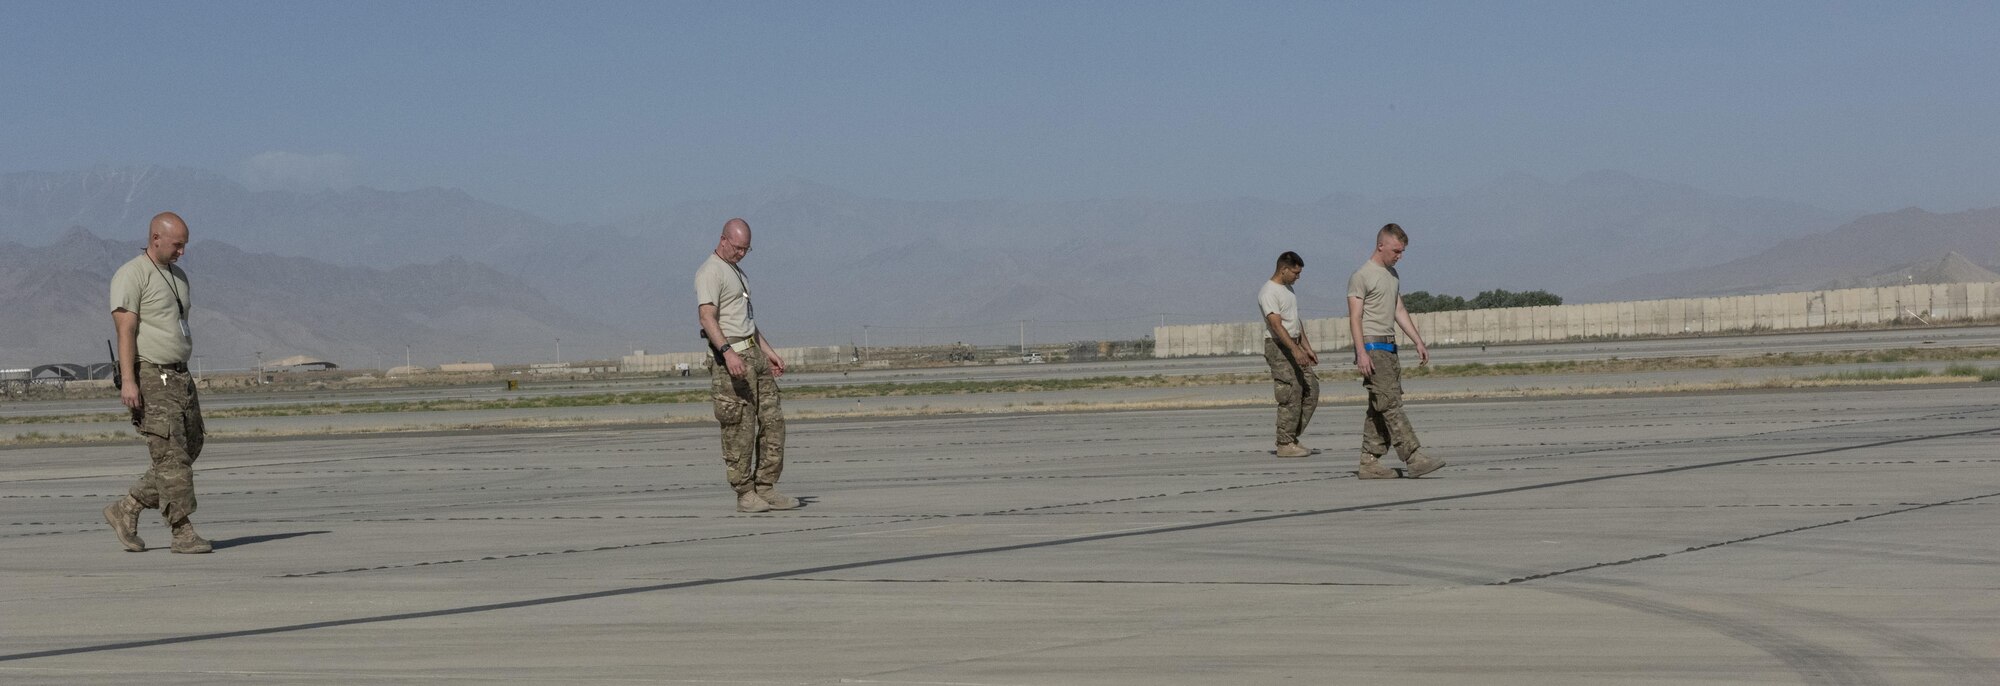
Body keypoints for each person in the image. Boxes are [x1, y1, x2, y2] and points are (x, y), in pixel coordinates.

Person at [102, 212, 212, 553]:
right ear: (156, 239)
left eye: (184, 246)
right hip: (151, 374)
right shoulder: (131, 274)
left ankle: (128, 507)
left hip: (179, 375)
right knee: (170, 457)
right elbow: (126, 329)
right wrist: (129, 381)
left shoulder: (178, 277)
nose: (182, 252)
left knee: (190, 447)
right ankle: (182, 532)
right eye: (177, 245)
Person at [695, 218, 797, 512]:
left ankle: (766, 486)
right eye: (738, 248)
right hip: (733, 360)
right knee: (740, 428)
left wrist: (769, 353)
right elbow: (706, 318)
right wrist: (727, 353)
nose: (741, 253)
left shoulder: (737, 272)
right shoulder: (710, 272)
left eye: (746, 249)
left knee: (773, 422)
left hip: (753, 355)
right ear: (723, 239)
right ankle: (744, 492)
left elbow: (746, 323)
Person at [1346, 223, 1447, 479]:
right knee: (1390, 404)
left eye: (1402, 252)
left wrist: (1418, 341)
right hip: (1372, 347)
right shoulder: (1362, 276)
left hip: (1389, 349)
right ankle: (1413, 456)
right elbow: (1355, 317)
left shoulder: (1392, 275)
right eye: (1396, 251)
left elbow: (1399, 310)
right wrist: (1361, 352)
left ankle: (1369, 462)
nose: (1399, 256)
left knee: (1379, 407)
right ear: (1381, 245)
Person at [1259, 251, 1318, 457]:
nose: (1298, 277)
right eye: (1295, 272)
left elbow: (1295, 322)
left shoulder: (1288, 289)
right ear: (1284, 269)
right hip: (1278, 346)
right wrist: (1294, 350)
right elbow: (1276, 325)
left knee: (1311, 389)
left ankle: (1291, 436)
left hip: (1293, 343)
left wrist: (1305, 347)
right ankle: (1284, 443)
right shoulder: (1269, 292)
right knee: (1291, 392)